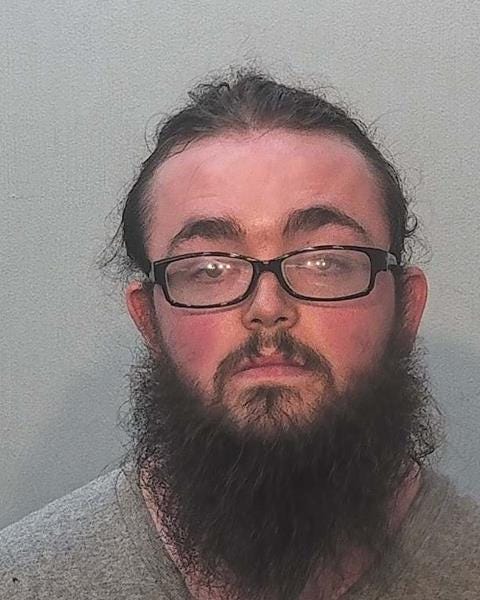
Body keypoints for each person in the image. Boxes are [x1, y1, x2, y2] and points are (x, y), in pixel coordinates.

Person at [1, 69, 479, 600]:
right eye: (209, 269)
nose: (268, 309)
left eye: (325, 261)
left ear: (406, 309)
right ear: (149, 321)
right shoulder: (22, 581)